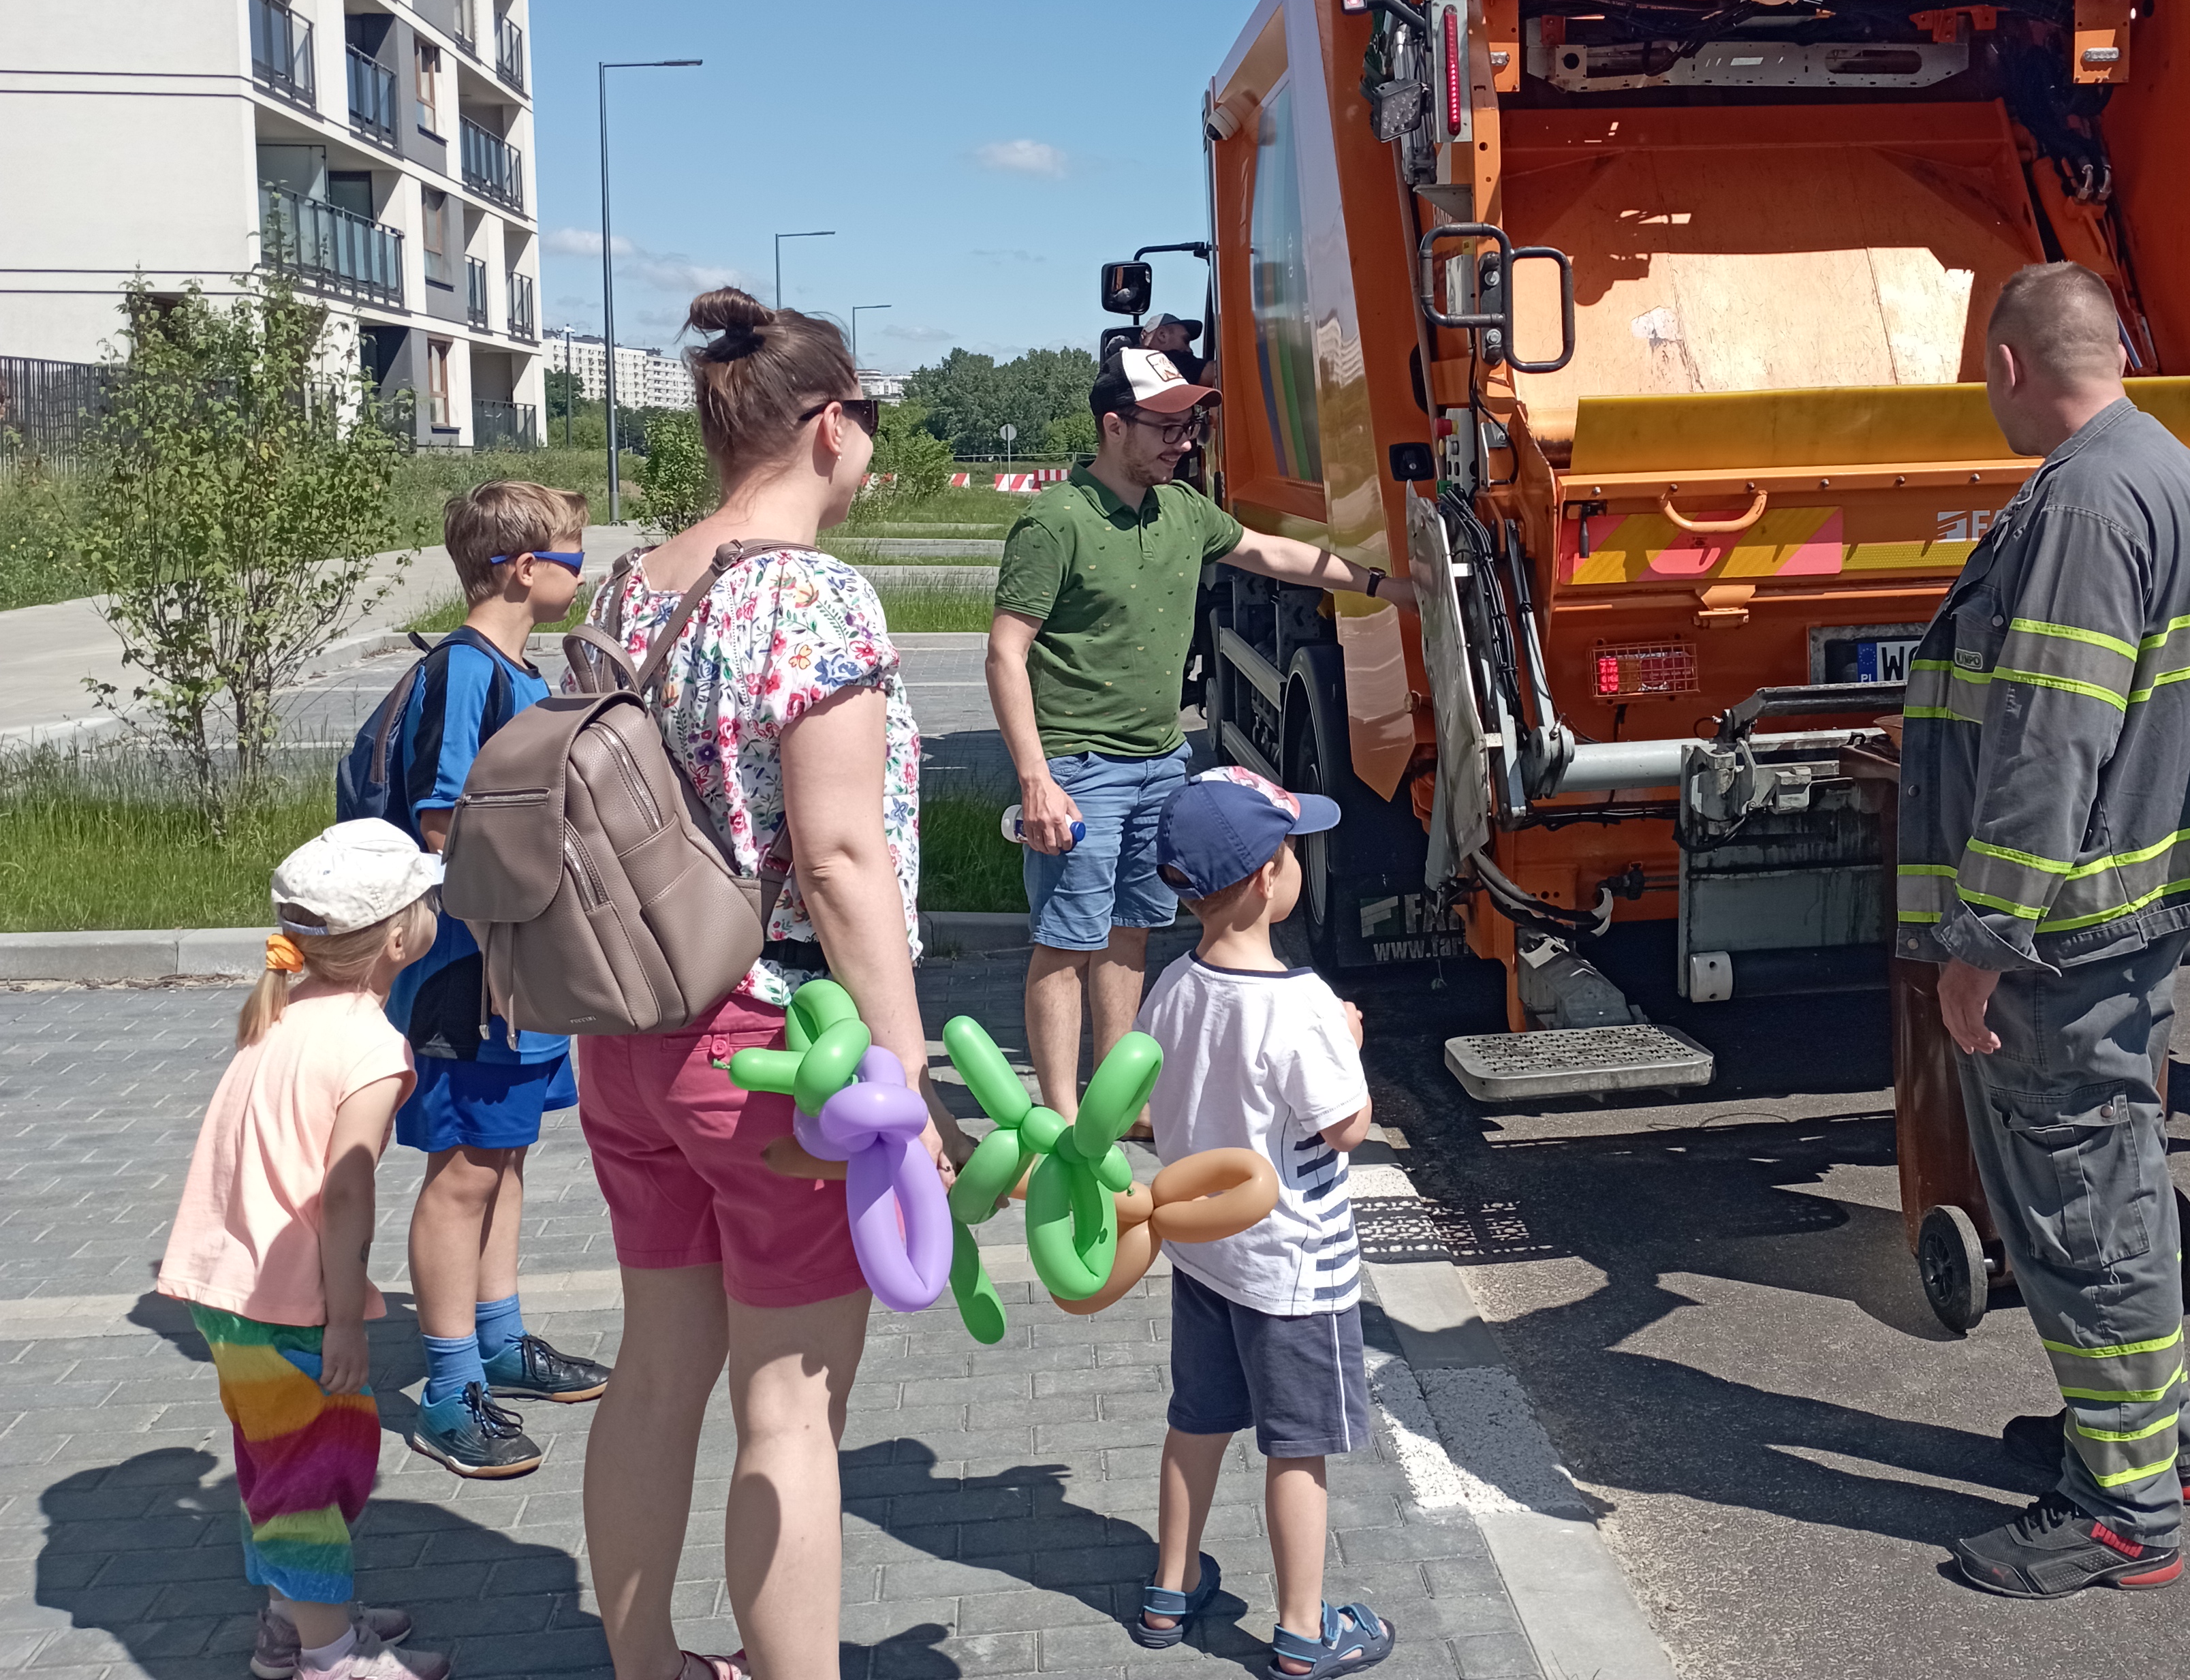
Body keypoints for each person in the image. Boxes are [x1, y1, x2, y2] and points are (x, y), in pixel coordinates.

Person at [574, 289, 959, 1680]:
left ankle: (646, 1665)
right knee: (791, 1413)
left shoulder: (636, 584)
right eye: (870, 423)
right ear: (830, 426)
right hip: (774, 1052)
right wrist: (907, 1069)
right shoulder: (808, 596)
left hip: (627, 1033)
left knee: (655, 1373)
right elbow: (842, 855)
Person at [1895, 261, 2190, 1600]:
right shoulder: (2172, 472)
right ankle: (2155, 1442)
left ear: (2007, 364)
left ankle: (2121, 1512)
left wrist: (1981, 935)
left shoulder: (2087, 504)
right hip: (2125, 911)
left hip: (2059, 932)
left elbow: (2052, 737)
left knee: (2078, 1213)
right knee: (2116, 1186)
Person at [986, 345, 1418, 1122]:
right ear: (1114, 426)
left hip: (1159, 761)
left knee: (1133, 933)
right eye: (1166, 426)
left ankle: (1116, 1105)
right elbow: (1005, 653)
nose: (1185, 440)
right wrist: (1035, 778)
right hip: (1078, 767)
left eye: (1190, 424)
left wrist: (1383, 587)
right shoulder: (1055, 523)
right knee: (1066, 942)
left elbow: (1272, 553)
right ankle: (1056, 1119)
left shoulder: (1183, 510)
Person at [157, 821, 448, 1680]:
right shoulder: (369, 1046)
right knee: (311, 1481)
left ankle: (295, 1622)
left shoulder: (279, 1016)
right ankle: (328, 1657)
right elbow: (346, 1191)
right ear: (400, 937)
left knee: (281, 1459)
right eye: (425, 899)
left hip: (232, 1290)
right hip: (291, 1299)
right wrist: (347, 1316)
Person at [1129, 768, 1394, 1677]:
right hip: (1292, 1270)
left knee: (1195, 1419)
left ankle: (1170, 1588)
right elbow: (1346, 1127)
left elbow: (1152, 1107)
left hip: (1204, 1255)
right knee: (1298, 1447)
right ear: (1261, 883)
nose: (1297, 867)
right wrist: (1351, 1047)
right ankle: (1302, 1632)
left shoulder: (1172, 986)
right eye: (1290, 853)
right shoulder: (1304, 1005)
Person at [383, 482, 609, 1479]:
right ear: (522, 568)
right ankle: (446, 1386)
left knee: (506, 1159)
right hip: (471, 969)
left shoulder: (519, 670)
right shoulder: (464, 674)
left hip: (524, 968)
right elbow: (445, 827)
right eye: (570, 554)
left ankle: (501, 1338)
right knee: (463, 1169)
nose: (581, 571)